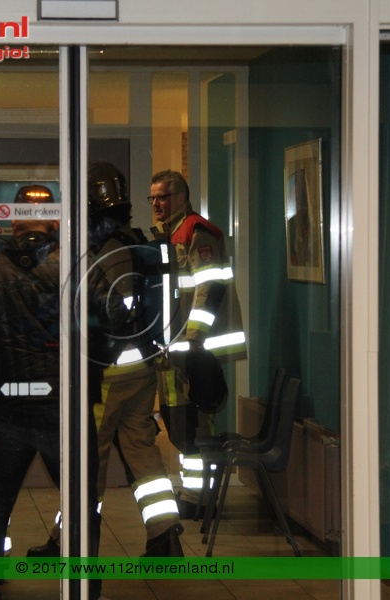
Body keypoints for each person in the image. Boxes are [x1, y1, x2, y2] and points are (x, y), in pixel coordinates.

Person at [0, 185, 125, 600]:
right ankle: (83, 589)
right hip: (66, 409)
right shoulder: (80, 267)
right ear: (56, 222)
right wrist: (92, 367)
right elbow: (115, 324)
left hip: (5, 410)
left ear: (13, 222)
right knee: (81, 508)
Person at [28, 163, 184, 558]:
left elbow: (113, 311)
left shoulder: (109, 250)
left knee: (86, 457)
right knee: (141, 450)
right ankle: (165, 534)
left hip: (110, 372)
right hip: (140, 367)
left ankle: (69, 539)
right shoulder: (133, 240)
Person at [148, 169, 247, 517]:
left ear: (181, 197)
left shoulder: (196, 232)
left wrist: (194, 340)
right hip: (175, 349)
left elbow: (209, 287)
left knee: (196, 425)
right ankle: (192, 494)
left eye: (163, 197)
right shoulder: (168, 235)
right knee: (180, 424)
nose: (156, 204)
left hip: (195, 350)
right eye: (153, 198)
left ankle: (200, 499)